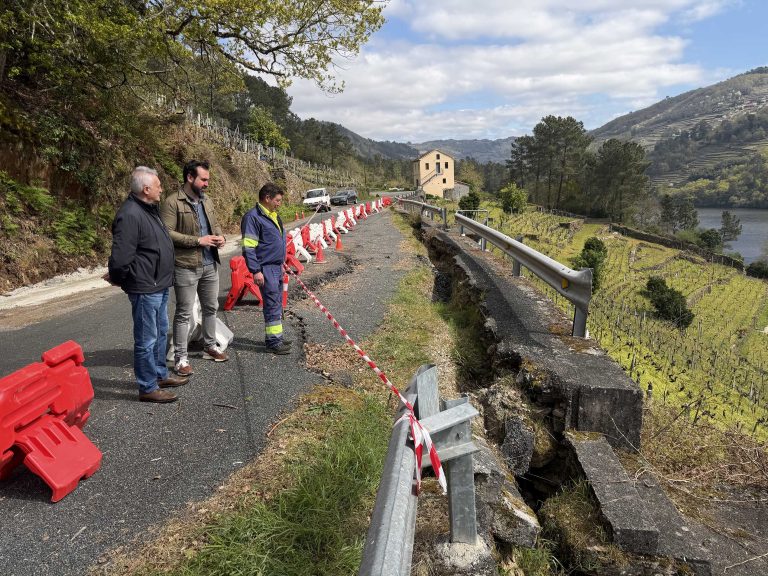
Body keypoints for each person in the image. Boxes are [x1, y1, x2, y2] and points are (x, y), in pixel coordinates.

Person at [106, 167, 188, 403]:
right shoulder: (130, 214)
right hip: (145, 287)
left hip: (159, 285)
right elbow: (121, 257)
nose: (162, 188)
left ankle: (159, 374)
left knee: (161, 334)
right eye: (158, 185)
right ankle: (147, 386)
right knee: (146, 340)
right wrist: (121, 277)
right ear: (146, 189)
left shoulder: (149, 210)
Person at [160, 160, 229, 376]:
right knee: (184, 313)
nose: (207, 183)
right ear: (190, 178)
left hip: (210, 264)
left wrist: (221, 237)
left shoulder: (206, 200)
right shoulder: (172, 202)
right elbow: (166, 233)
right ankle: (181, 358)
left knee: (210, 308)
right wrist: (197, 241)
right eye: (204, 179)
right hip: (185, 266)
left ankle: (209, 346)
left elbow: (214, 224)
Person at [241, 183, 292, 354]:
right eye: (277, 200)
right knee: (271, 304)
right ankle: (273, 342)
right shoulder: (253, 217)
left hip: (276, 267)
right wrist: (255, 270)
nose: (279, 203)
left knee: (276, 303)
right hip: (265, 268)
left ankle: (276, 337)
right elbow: (249, 246)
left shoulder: (274, 216)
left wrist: (282, 263)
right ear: (267, 198)